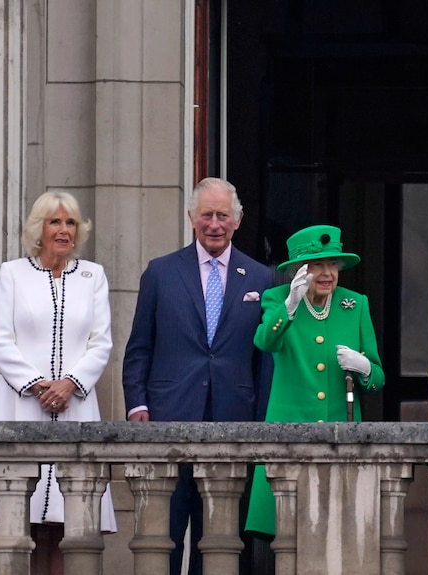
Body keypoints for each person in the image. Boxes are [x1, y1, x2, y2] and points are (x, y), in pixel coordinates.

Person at [122, 177, 273, 575]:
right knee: (165, 538)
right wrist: (137, 404)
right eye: (206, 214)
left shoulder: (260, 278)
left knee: (220, 542)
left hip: (234, 423)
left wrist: (261, 426)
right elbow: (139, 347)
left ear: (237, 220)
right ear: (192, 217)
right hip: (168, 421)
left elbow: (265, 361)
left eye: (223, 215)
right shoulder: (160, 272)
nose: (214, 223)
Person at [0, 191, 117, 575]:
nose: (64, 230)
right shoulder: (13, 273)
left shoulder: (93, 276)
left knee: (68, 520)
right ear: (40, 228)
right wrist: (38, 385)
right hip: (21, 405)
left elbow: (101, 341)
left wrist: (70, 383)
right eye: (55, 222)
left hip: (75, 405)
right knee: (23, 516)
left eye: (70, 222)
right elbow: (0, 340)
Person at [245, 224, 384, 537]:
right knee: (289, 535)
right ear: (299, 270)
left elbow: (377, 379)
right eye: (318, 265)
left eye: (333, 264)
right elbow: (265, 342)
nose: (328, 273)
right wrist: (290, 305)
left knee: (337, 536)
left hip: (340, 444)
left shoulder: (355, 304)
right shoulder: (277, 299)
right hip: (289, 439)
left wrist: (363, 368)